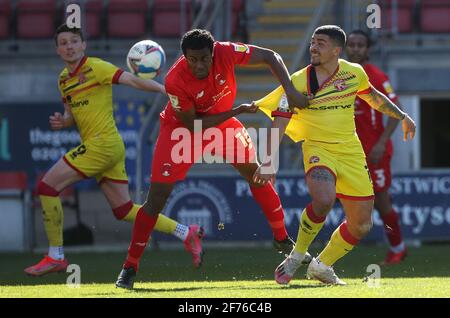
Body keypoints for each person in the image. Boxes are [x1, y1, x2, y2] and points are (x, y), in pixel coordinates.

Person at [115, 29, 308, 289]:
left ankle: (282, 239)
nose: (199, 65)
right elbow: (193, 125)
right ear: (184, 57)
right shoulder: (175, 79)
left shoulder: (226, 52)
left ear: (213, 52)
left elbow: (271, 56)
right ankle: (130, 266)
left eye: (204, 58)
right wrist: (237, 110)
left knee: (258, 175)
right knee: (156, 199)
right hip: (181, 131)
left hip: (223, 125)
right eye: (192, 59)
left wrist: (291, 91)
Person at [24, 24, 204, 277]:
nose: (69, 46)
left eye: (74, 41)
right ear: (57, 49)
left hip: (102, 144)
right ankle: (187, 232)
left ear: (83, 45)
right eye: (63, 43)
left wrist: (166, 90)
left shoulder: (96, 67)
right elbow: (71, 114)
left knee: (46, 187)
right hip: (109, 147)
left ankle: (56, 256)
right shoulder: (63, 79)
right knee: (124, 210)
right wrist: (63, 121)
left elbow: (131, 80)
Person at [252, 25, 416, 285]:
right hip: (318, 148)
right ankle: (297, 254)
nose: (313, 47)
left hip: (351, 152)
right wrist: (269, 162)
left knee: (362, 225)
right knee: (324, 200)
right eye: (312, 43)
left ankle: (322, 265)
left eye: (321, 43)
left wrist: (403, 116)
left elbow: (373, 97)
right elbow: (279, 122)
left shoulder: (354, 73)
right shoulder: (297, 81)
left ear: (337, 51)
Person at [346, 29, 407, 265]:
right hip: (349, 153)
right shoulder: (338, 76)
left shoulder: (376, 76)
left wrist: (381, 143)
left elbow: (396, 112)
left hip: (374, 152)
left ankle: (398, 247)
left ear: (367, 49)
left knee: (382, 202)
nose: (356, 49)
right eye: (352, 44)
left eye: (360, 45)